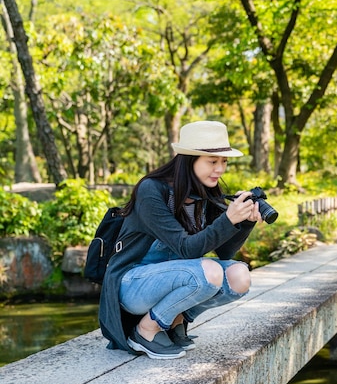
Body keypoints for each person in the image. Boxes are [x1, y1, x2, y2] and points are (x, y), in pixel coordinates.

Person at [98, 120, 262, 359]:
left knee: (239, 277)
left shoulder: (206, 191)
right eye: (212, 161)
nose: (220, 169)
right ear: (189, 159)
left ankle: (176, 319)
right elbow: (187, 249)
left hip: (174, 277)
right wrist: (228, 219)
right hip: (133, 282)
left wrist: (244, 222)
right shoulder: (151, 190)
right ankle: (145, 330)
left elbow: (225, 253)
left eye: (224, 161)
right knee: (209, 272)